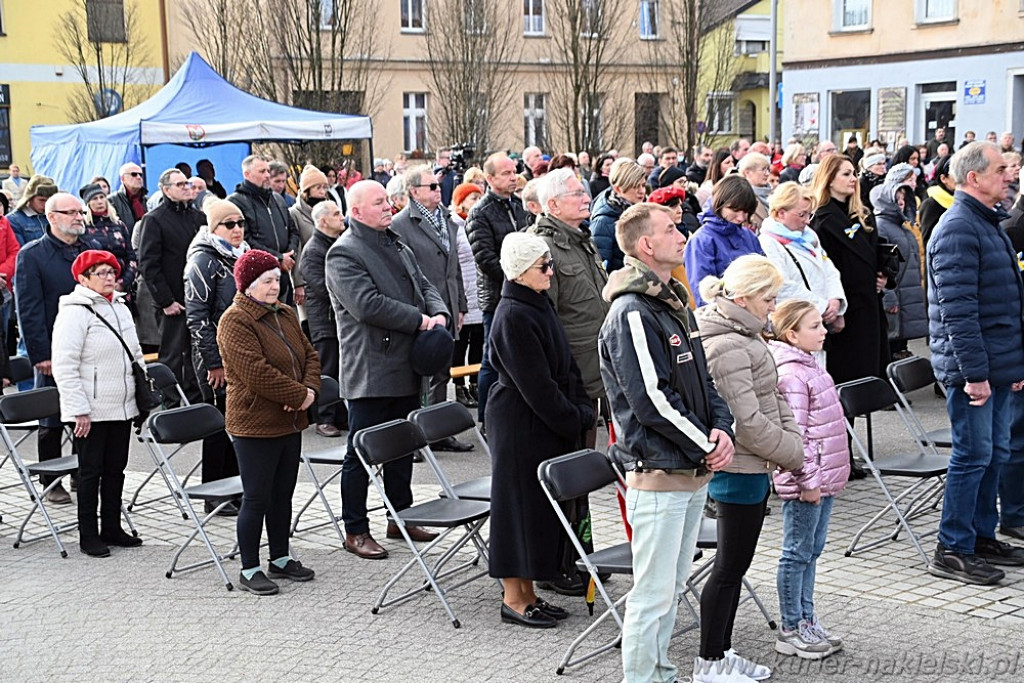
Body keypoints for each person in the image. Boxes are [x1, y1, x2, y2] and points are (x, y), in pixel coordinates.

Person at [598, 202, 736, 683]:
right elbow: (651, 401)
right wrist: (706, 444)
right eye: (672, 230)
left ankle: (663, 672)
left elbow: (706, 382)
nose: (684, 236)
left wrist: (723, 430)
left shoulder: (673, 303)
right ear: (645, 245)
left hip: (690, 468)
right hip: (659, 472)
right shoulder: (632, 311)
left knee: (671, 587)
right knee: (652, 594)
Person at [694, 255, 803, 681]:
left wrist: (792, 443)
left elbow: (773, 400)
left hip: (755, 465)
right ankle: (709, 660)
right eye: (767, 298)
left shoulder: (746, 334)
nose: (773, 306)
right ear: (742, 296)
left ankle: (721, 651)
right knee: (728, 568)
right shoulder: (727, 343)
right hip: (737, 469)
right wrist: (793, 454)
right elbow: (745, 420)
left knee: (735, 568)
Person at [326, 180, 448, 560]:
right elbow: (366, 305)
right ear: (356, 211)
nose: (387, 206)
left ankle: (401, 516)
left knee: (402, 446)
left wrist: (439, 311)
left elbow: (424, 283)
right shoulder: (343, 253)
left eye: (387, 200)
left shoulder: (395, 240)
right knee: (361, 452)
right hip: (371, 370)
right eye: (378, 203)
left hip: (406, 363)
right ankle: (355, 529)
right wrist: (420, 321)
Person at [927, 141, 1024, 585]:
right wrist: (976, 376)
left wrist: (1013, 367)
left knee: (996, 452)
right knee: (973, 456)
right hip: (975, 371)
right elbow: (958, 311)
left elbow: (1006, 303)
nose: (1010, 175)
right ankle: (952, 547)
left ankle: (982, 535)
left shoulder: (989, 223)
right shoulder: (958, 228)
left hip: (999, 367)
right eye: (1001, 169)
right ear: (974, 178)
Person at [486, 231, 594, 629]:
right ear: (519, 272)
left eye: (550, 264)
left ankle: (530, 592)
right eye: (543, 266)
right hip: (521, 424)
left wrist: (582, 405)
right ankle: (513, 598)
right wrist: (573, 417)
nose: (551, 272)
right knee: (518, 510)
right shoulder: (513, 314)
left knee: (537, 512)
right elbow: (537, 386)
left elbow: (565, 364)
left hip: (542, 422)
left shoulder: (536, 302)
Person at [216, 249, 321, 595]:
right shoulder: (236, 320)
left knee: (283, 494)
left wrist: (307, 390)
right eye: (267, 281)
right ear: (247, 284)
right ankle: (249, 568)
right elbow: (255, 373)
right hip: (254, 422)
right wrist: (298, 396)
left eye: (277, 279)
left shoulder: (287, 313)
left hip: (290, 419)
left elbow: (309, 354)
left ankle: (280, 557)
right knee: (257, 496)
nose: (275, 286)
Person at [769, 299, 849, 659]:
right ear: (792, 334)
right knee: (796, 552)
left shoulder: (811, 366)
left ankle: (807, 617)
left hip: (823, 478)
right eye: (814, 326)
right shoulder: (792, 374)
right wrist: (808, 481)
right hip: (807, 483)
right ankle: (790, 627)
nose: (823, 331)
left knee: (812, 551)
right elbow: (795, 436)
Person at [51, 250, 145, 557]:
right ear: (82, 279)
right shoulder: (74, 311)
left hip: (122, 403)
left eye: (111, 272)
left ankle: (112, 528)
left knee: (116, 469)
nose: (109, 278)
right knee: (90, 471)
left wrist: (139, 396)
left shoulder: (120, 306)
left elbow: (136, 354)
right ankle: (88, 533)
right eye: (100, 273)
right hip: (90, 409)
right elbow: (64, 364)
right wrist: (78, 409)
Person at [14, 192, 100, 505]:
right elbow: (29, 309)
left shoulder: (90, 250)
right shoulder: (32, 255)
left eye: (82, 212)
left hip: (89, 348)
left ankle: (82, 473)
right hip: (53, 350)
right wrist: (41, 354)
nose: (80, 217)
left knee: (85, 413)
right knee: (51, 417)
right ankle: (51, 480)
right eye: (72, 212)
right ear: (52, 217)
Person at [390, 167, 471, 452]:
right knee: (422, 375)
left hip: (446, 306)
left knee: (442, 372)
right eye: (433, 186)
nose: (439, 190)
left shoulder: (448, 220)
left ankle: (437, 433)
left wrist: (460, 305)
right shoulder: (400, 224)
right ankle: (417, 435)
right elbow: (400, 272)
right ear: (415, 192)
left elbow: (455, 268)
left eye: (439, 186)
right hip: (422, 310)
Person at [184, 199, 248, 511]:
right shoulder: (203, 260)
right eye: (229, 224)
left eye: (240, 223)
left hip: (242, 352)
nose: (237, 230)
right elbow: (197, 316)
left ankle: (235, 488)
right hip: (215, 356)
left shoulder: (242, 253)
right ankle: (214, 494)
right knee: (218, 424)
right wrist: (213, 362)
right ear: (214, 228)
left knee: (238, 422)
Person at [466, 153, 528, 427]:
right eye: (506, 173)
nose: (513, 177)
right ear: (490, 179)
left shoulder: (518, 206)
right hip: (498, 296)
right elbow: (486, 259)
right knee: (492, 358)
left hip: (525, 292)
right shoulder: (480, 212)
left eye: (514, 172)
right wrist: (520, 276)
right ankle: (487, 418)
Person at [758, 182, 846, 366]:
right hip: (795, 323)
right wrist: (822, 307)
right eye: (802, 214)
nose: (807, 220)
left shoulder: (809, 236)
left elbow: (828, 268)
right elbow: (781, 284)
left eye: (809, 214)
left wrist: (835, 300)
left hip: (816, 319)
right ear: (781, 213)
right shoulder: (768, 242)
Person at [137, 168, 205, 404]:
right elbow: (149, 264)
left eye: (187, 183)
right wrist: (166, 301)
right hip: (172, 300)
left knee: (196, 351)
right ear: (166, 190)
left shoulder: (198, 218)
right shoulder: (154, 220)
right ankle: (171, 402)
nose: (187, 188)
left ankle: (196, 400)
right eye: (180, 184)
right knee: (172, 355)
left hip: (197, 297)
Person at [299, 200, 348, 436]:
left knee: (341, 367)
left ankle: (339, 415)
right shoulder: (313, 251)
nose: (342, 217)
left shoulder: (338, 242)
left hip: (338, 318)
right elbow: (321, 287)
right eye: (337, 214)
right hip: (324, 320)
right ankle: (324, 418)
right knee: (327, 368)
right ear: (323, 221)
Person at [228, 155, 300, 305]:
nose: (267, 175)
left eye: (268, 171)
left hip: (283, 275)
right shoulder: (236, 202)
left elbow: (292, 230)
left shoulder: (278, 199)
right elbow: (244, 240)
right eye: (262, 171)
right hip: (258, 278)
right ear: (247, 175)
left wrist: (289, 256)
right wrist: (277, 258)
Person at [872, 168, 927, 360]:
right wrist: (888, 297)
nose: (902, 204)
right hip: (894, 298)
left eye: (903, 200)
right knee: (890, 347)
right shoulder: (881, 227)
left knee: (900, 346)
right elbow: (880, 268)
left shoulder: (901, 227)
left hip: (906, 295)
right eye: (897, 200)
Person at [684, 175, 764, 307]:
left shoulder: (749, 236)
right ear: (719, 204)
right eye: (735, 210)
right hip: (722, 317)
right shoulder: (701, 241)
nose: (741, 218)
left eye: (745, 212)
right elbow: (702, 295)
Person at [450, 183, 484, 408]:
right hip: (462, 291)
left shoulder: (480, 222)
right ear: (460, 202)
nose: (477, 203)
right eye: (473, 198)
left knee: (478, 342)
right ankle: (459, 386)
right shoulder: (453, 224)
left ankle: (476, 383)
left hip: (479, 289)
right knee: (459, 344)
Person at [79, 183, 137, 309]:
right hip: (95, 289)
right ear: (88, 203)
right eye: (95, 199)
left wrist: (123, 282)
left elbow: (132, 257)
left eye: (102, 197)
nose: (100, 201)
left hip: (122, 288)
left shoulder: (119, 225)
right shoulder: (83, 228)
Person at [590, 159, 648, 273]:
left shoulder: (644, 210)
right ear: (618, 189)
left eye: (643, 185)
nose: (642, 191)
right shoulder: (603, 222)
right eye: (636, 186)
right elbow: (601, 271)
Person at [288, 165, 332, 313]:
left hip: (327, 270)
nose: (322, 191)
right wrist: (298, 283)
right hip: (307, 275)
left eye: (325, 187)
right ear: (307, 190)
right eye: (318, 187)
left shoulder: (329, 209)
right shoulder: (295, 214)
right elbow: (297, 248)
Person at [7, 175, 57, 246]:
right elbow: (19, 252)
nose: (46, 204)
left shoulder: (56, 216)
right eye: (42, 200)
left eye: (50, 200)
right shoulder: (13, 220)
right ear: (30, 197)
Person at [919, 154, 955, 248]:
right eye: (956, 174)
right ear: (943, 178)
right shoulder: (931, 204)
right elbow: (928, 242)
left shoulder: (964, 201)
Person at [107, 163, 148, 239]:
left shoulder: (147, 200)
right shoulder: (111, 201)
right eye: (134, 174)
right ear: (122, 178)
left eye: (140, 175)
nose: (139, 177)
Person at [738, 153, 772, 231]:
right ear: (747, 173)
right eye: (763, 169)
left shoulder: (775, 194)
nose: (767, 174)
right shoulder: (742, 198)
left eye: (768, 169)